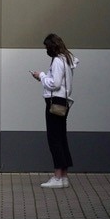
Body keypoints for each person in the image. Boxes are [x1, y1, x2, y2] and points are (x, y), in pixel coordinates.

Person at [30, 33, 79, 189]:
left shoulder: (58, 60)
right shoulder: (67, 59)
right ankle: (63, 176)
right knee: (61, 138)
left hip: (54, 102)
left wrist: (42, 76)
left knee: (54, 139)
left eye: (46, 47)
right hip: (63, 101)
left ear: (52, 46)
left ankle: (57, 176)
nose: (46, 50)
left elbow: (55, 83)